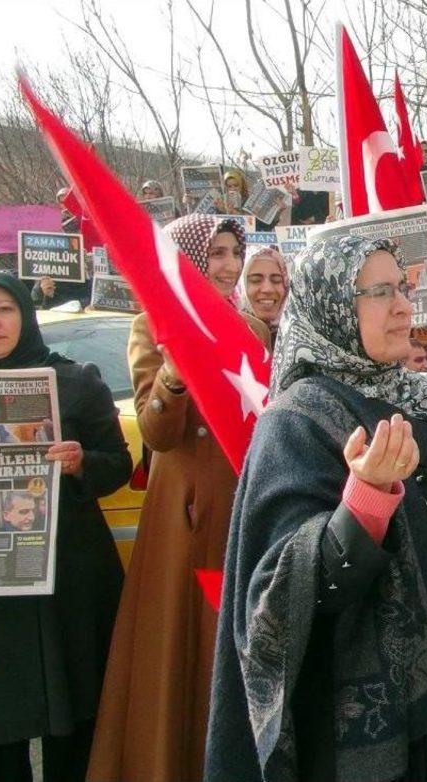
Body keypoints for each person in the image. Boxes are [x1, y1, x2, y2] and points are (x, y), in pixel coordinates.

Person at [205, 234, 427, 782]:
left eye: (402, 287)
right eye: (379, 292)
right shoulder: (297, 422)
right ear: (330, 306)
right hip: (402, 721)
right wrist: (364, 504)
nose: (404, 305)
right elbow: (276, 604)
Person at [87, 215, 270, 782]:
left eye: (233, 252)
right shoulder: (151, 325)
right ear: (188, 258)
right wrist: (173, 372)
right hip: (185, 515)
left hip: (244, 502)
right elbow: (158, 433)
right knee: (180, 653)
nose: (228, 265)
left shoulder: (252, 328)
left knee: (237, 646)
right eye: (214, 252)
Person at [0, 273, 130, 782]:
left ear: (25, 315)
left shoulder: (74, 379)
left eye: (4, 309)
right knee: (0, 719)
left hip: (66, 574)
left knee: (73, 711)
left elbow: (118, 463)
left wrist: (79, 463)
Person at [240, 246, 289, 346]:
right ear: (242, 286)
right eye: (256, 280)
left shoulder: (297, 338)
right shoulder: (228, 334)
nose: (268, 289)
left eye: (277, 280)